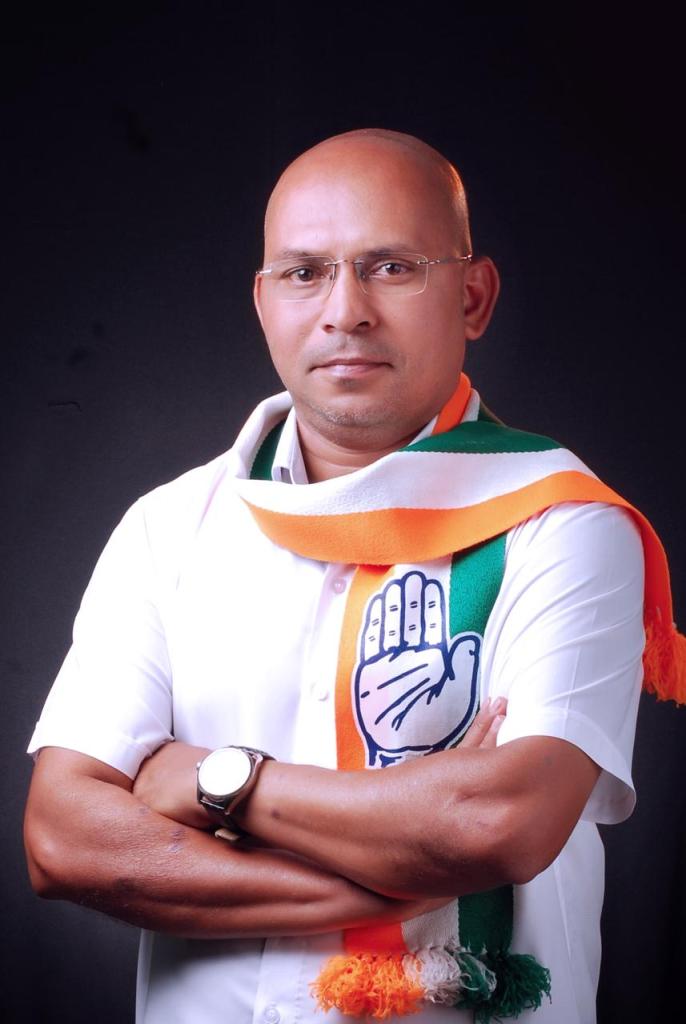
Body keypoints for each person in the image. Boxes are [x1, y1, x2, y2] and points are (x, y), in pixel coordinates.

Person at [23, 129, 682, 1024]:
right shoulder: (168, 528)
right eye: (304, 273)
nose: (346, 311)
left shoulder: (563, 524)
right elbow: (63, 839)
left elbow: (501, 823)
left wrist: (222, 782)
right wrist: (400, 874)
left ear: (474, 297)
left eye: (392, 268)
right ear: (264, 303)